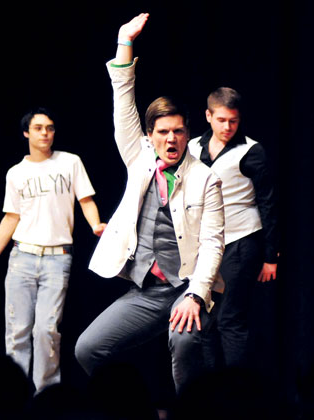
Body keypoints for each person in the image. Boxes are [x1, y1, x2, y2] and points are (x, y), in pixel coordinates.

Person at [74, 13, 225, 393]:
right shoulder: (138, 157)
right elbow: (122, 101)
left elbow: (212, 245)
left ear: (188, 133)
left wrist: (195, 295)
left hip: (189, 286)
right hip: (148, 290)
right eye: (162, 132)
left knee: (185, 340)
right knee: (88, 349)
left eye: (178, 131)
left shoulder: (206, 178)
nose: (171, 139)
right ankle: (129, 409)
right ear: (149, 135)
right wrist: (124, 42)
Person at [0, 108, 106, 392]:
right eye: (39, 127)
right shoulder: (16, 173)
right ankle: (13, 394)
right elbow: (11, 217)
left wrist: (95, 224)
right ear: (26, 133)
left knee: (46, 331)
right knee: (17, 332)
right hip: (22, 257)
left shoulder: (70, 162)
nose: (45, 133)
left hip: (58, 259)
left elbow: (86, 199)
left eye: (50, 128)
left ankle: (45, 397)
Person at [188, 87, 279, 368]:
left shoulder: (251, 150)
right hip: (205, 244)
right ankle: (210, 394)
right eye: (222, 120)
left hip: (241, 241)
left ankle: (236, 395)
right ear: (208, 116)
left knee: (230, 319)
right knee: (204, 319)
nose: (228, 127)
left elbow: (268, 202)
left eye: (233, 121)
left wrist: (270, 256)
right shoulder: (192, 148)